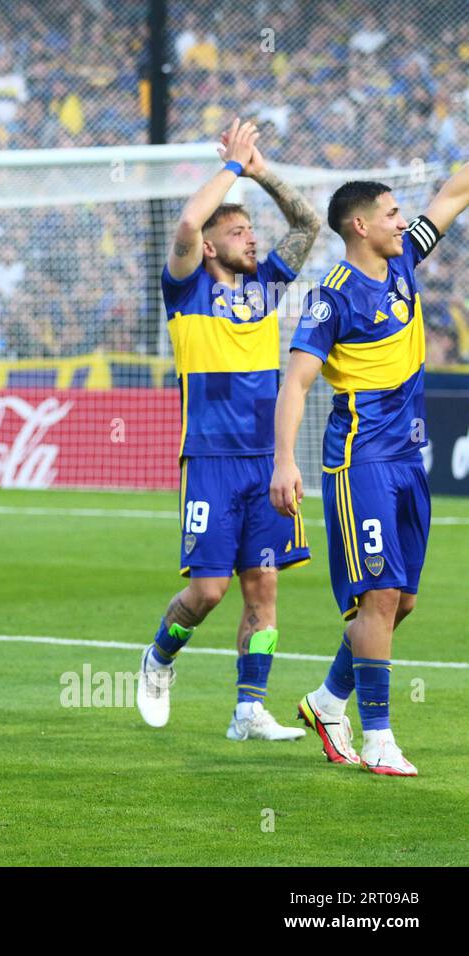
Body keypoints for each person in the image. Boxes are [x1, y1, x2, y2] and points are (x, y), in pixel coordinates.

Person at [271, 163, 469, 776]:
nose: (401, 220)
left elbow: (455, 191)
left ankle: (328, 700)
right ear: (360, 226)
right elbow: (296, 382)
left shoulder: (404, 257)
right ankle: (379, 737)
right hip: (361, 465)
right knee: (377, 595)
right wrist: (284, 461)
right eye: (389, 213)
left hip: (407, 461)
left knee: (400, 601)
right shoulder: (331, 298)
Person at [137, 118, 321, 740]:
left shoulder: (266, 286)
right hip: (211, 459)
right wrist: (232, 169)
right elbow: (189, 224)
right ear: (212, 247)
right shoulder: (185, 288)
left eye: (251, 229)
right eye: (238, 230)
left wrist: (261, 169)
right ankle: (160, 656)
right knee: (208, 593)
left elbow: (308, 225)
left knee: (263, 588)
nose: (252, 237)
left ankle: (249, 709)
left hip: (268, 460)